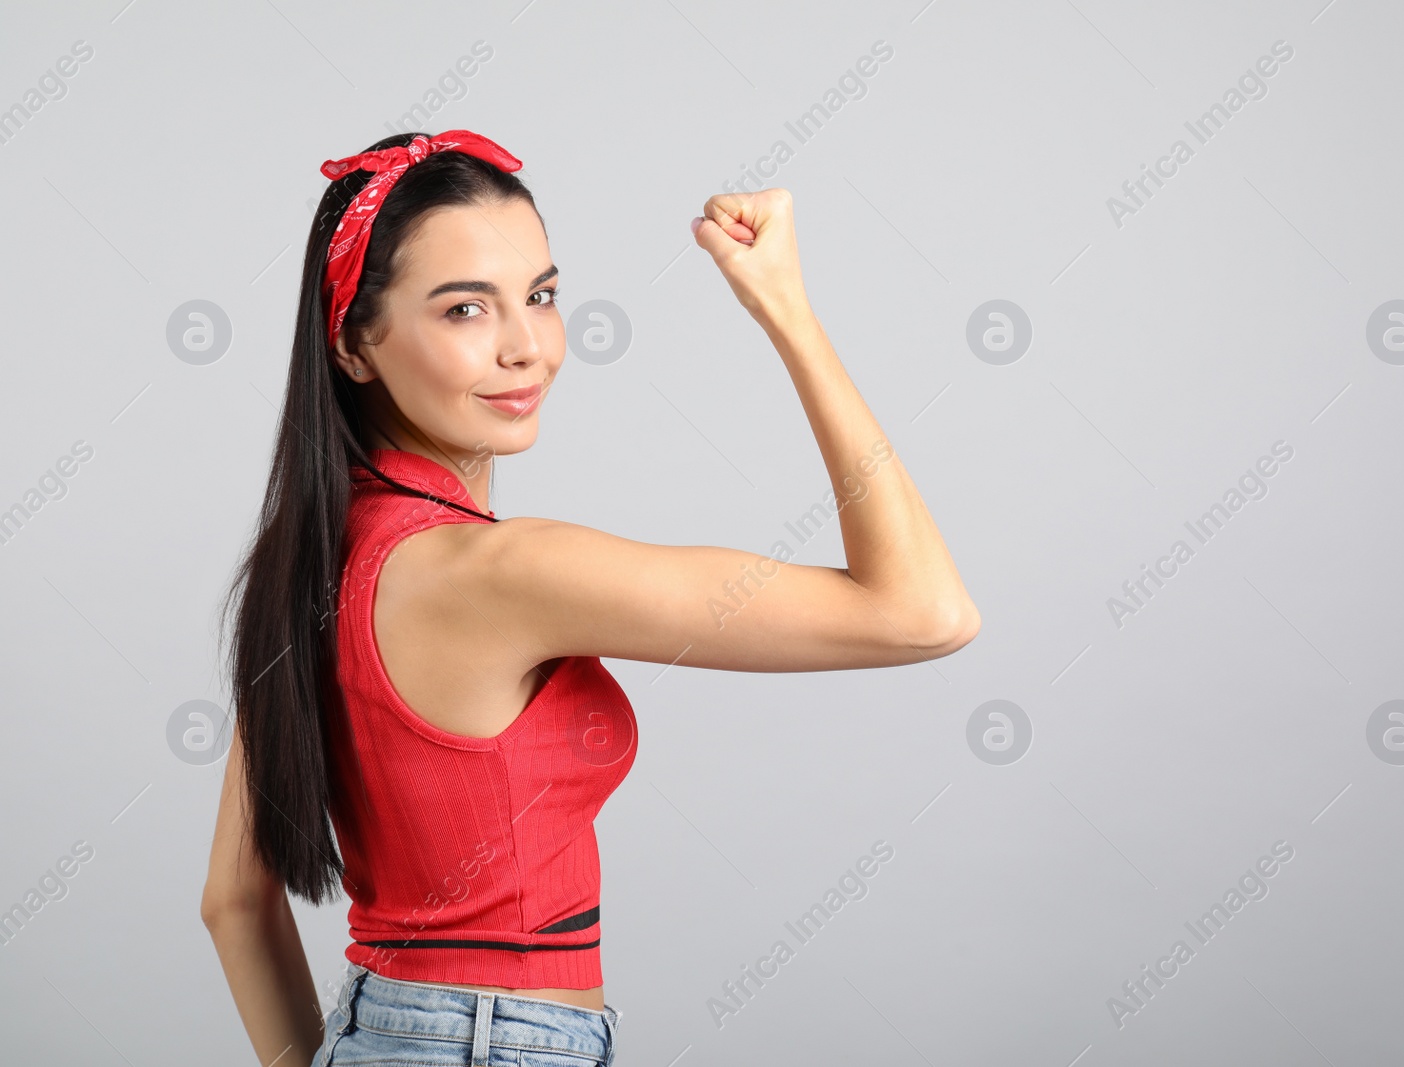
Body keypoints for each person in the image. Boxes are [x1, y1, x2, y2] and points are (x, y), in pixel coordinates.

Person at [200, 128, 980, 1067]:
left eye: (541, 295)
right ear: (355, 345)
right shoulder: (508, 573)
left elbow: (234, 902)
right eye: (463, 311)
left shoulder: (303, 562)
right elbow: (923, 611)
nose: (527, 347)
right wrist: (787, 312)